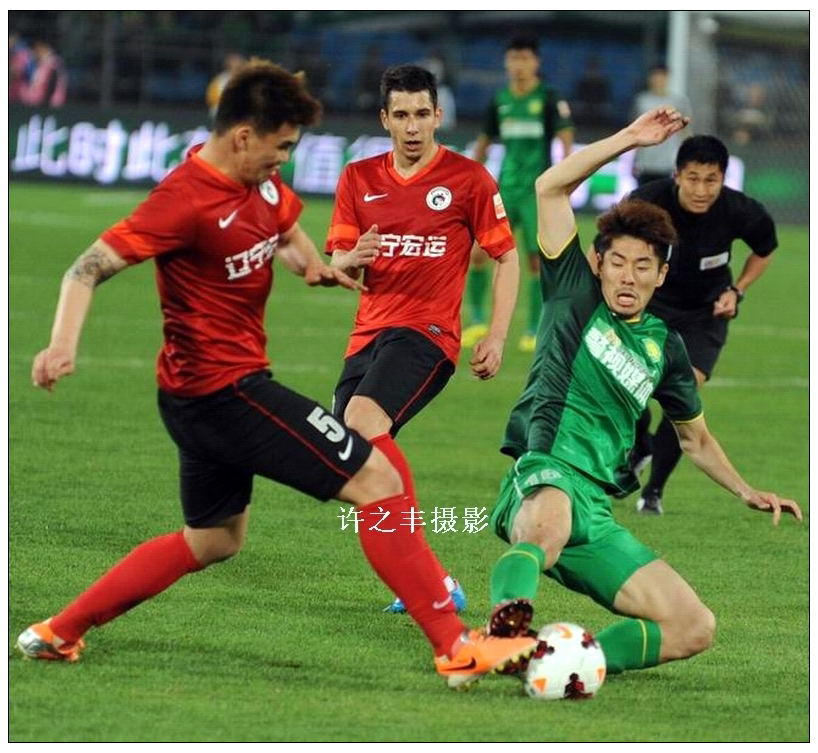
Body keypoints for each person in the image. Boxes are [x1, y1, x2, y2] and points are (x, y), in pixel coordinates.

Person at [16, 61, 536, 690]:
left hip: (190, 397)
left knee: (213, 540)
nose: (285, 159)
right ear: (243, 136)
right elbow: (85, 268)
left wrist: (317, 267)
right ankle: (455, 645)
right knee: (376, 475)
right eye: (281, 146)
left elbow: (287, 233)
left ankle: (59, 631)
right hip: (227, 393)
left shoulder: (259, 184)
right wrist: (60, 345)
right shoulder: (183, 200)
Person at [486, 107, 801, 679]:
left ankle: (567, 665)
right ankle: (500, 638)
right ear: (598, 263)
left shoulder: (665, 347)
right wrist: (631, 138)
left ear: (661, 275)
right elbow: (549, 187)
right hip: (545, 471)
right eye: (618, 263)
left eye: (642, 266)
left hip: (596, 511)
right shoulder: (573, 291)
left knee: (693, 626)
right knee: (548, 527)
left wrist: (746, 490)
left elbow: (695, 438)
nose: (628, 276)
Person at [326, 64, 520, 614]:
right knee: (354, 463)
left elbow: (507, 258)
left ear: (438, 115)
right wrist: (351, 258)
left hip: (427, 334)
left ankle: (425, 589)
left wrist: (497, 336)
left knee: (362, 420)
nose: (412, 127)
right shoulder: (358, 178)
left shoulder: (469, 179)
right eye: (401, 115)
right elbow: (338, 263)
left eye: (421, 114)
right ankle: (434, 581)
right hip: (367, 336)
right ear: (384, 119)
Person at [623, 135, 780, 514]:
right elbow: (609, 247)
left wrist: (737, 291)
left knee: (682, 396)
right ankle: (641, 443)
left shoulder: (740, 210)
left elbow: (765, 250)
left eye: (711, 180)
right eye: (693, 178)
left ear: (724, 178)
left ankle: (653, 492)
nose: (701, 190)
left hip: (705, 314)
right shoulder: (646, 203)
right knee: (630, 388)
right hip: (650, 307)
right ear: (677, 175)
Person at [464, 35, 573, 353]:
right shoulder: (500, 100)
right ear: (506, 62)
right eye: (513, 58)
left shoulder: (548, 98)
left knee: (536, 260)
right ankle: (478, 320)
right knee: (478, 253)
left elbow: (566, 137)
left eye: (525, 58)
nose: (518, 65)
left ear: (536, 62)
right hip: (504, 191)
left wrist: (566, 176)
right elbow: (484, 142)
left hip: (536, 193)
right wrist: (468, 179)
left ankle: (533, 328)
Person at [631, 65, 691, 185]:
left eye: (661, 77)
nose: (658, 80)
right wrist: (634, 160)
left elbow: (685, 131)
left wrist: (686, 158)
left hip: (669, 162)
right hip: (646, 162)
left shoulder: (678, 101)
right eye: (655, 77)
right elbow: (634, 131)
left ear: (667, 78)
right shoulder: (642, 101)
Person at [20, 37, 67, 108]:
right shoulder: (41, 63)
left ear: (43, 48)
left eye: (37, 49)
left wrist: (45, 104)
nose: (35, 52)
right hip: (36, 105)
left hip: (48, 106)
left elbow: (52, 86)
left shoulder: (54, 64)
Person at [205, 51, 246, 117]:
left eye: (238, 61)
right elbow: (212, 99)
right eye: (233, 61)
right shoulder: (221, 80)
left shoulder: (247, 77)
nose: (236, 64)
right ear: (227, 65)